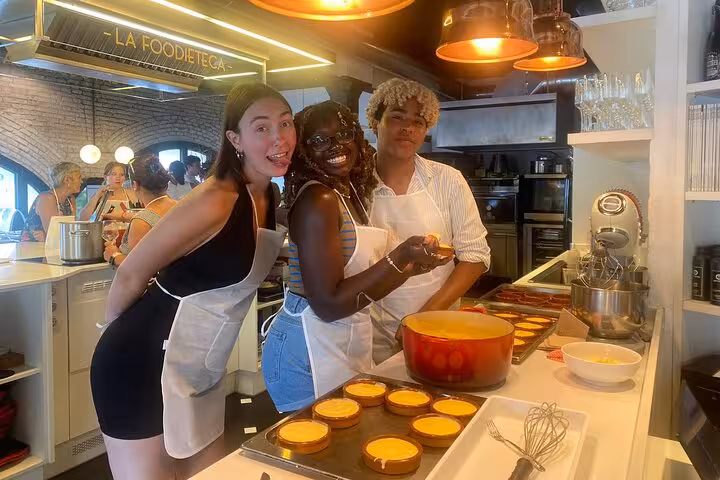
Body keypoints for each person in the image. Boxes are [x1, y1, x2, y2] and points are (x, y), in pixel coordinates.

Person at [90, 82, 294, 480]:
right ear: (234, 138)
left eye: (285, 124)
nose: (279, 138)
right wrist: (120, 337)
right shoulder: (215, 199)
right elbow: (132, 271)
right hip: (141, 363)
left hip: (197, 366)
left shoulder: (267, 195)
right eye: (262, 127)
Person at [262, 101, 449, 412]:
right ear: (303, 150)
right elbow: (327, 304)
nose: (337, 146)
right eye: (320, 140)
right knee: (316, 446)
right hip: (307, 349)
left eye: (345, 134)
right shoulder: (317, 199)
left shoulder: (349, 196)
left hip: (341, 337)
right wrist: (400, 255)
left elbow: (355, 284)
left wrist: (408, 267)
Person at [366, 78, 492, 364]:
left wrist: (422, 319)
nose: (408, 128)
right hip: (367, 331)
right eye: (397, 117)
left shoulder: (448, 180)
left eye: (419, 122)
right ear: (375, 122)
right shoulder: (354, 184)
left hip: (436, 326)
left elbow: (475, 257)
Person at [103, 154, 177, 267]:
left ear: (135, 185)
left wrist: (114, 256)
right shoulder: (179, 206)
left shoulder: (141, 222)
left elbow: (139, 267)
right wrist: (126, 216)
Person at [21, 162, 83, 242]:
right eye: (79, 177)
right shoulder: (46, 198)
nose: (81, 181)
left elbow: (72, 229)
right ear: (67, 180)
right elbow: (53, 235)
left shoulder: (71, 199)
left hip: (58, 247)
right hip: (33, 250)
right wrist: (47, 236)